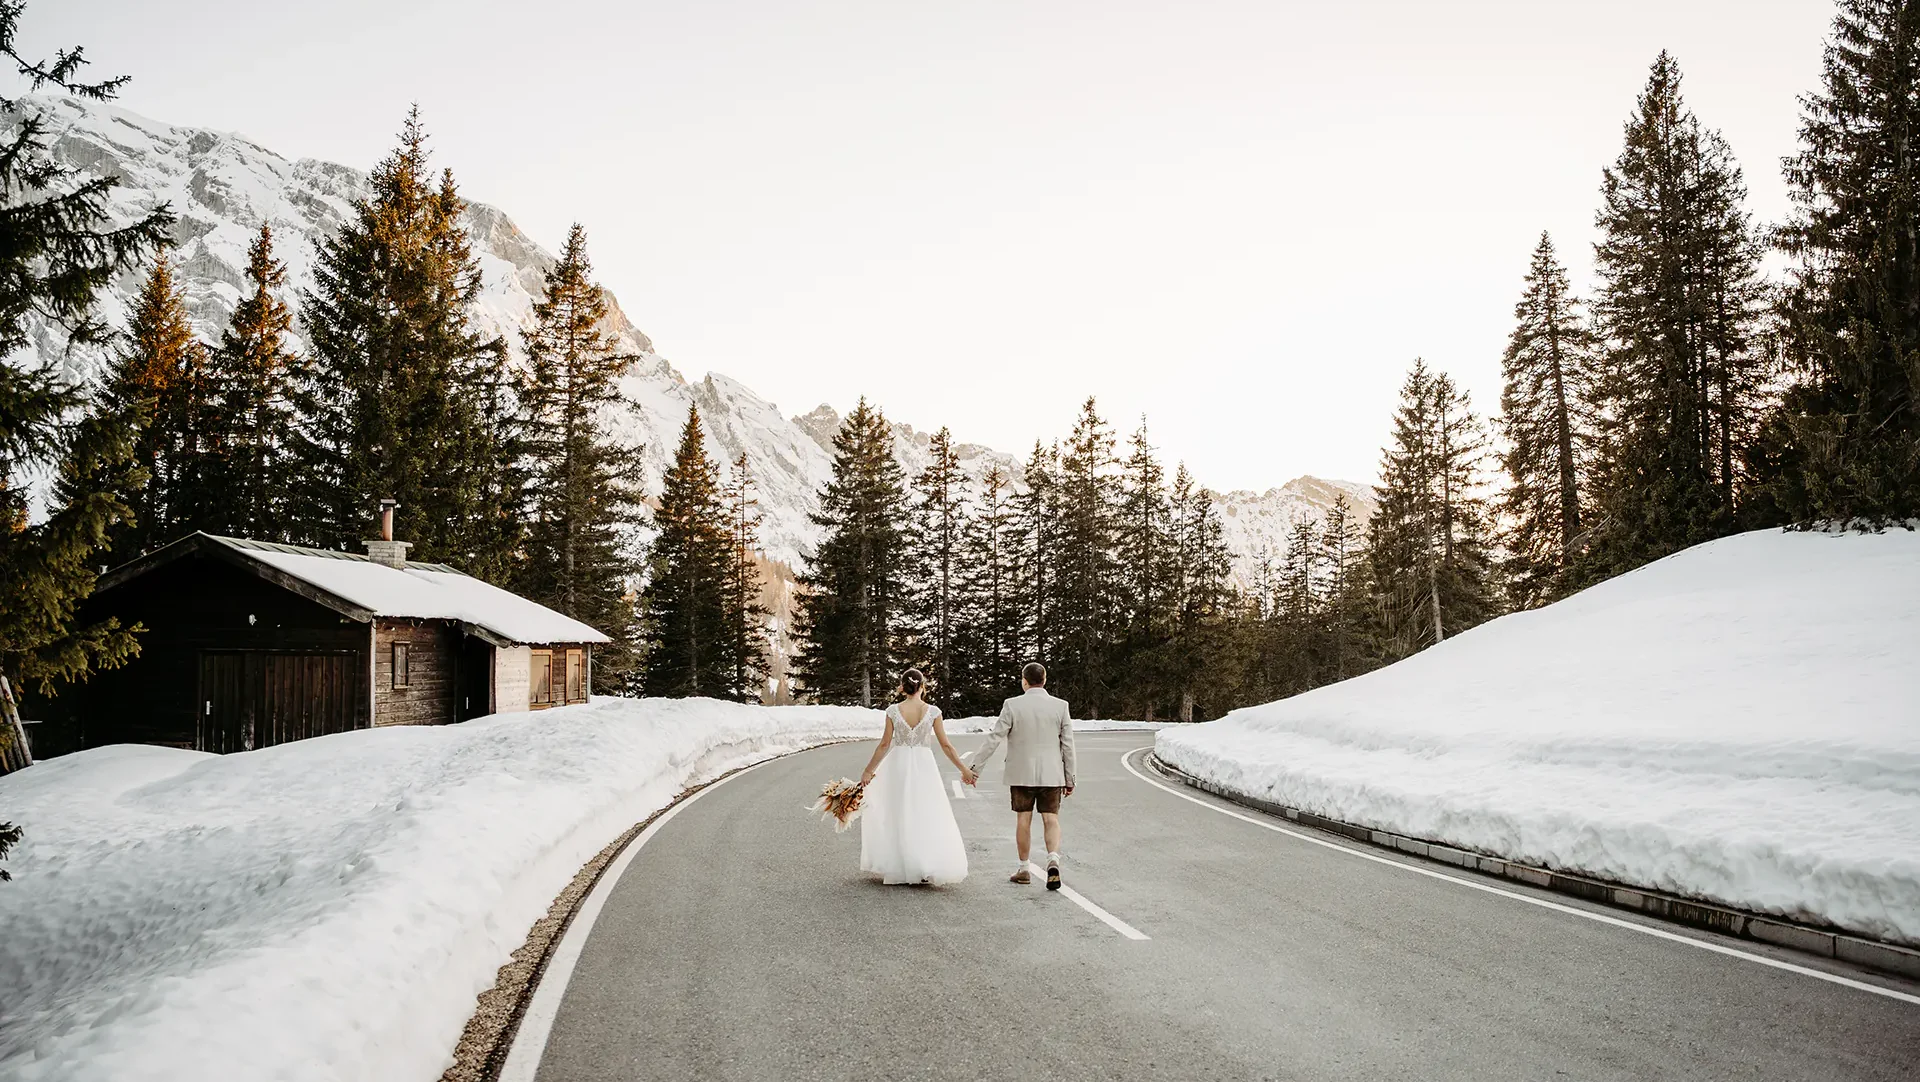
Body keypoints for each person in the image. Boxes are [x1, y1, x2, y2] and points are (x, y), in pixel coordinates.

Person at [856, 668, 977, 885]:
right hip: (924, 764)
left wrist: (869, 771)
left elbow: (884, 744)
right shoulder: (933, 712)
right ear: (922, 687)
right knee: (924, 811)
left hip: (899, 763)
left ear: (903, 687)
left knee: (899, 811)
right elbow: (946, 746)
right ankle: (922, 864)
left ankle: (901, 864)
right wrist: (964, 769)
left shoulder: (893, 710)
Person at [966, 661, 1075, 890]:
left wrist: (975, 769)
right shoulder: (1060, 706)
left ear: (1024, 681)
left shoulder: (1012, 705)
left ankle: (1024, 868)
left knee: (1023, 820)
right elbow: (1068, 745)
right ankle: (1053, 860)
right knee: (1051, 818)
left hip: (1021, 774)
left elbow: (994, 738)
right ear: (1044, 680)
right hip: (1051, 774)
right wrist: (1070, 777)